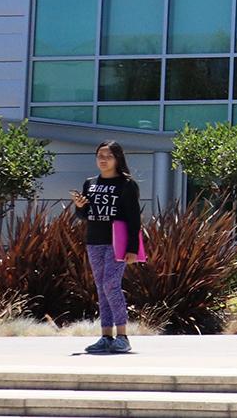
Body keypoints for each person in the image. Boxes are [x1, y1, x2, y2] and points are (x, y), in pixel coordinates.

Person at [70, 141, 145, 355]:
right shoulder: (90, 183)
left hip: (117, 242)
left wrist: (132, 248)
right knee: (101, 288)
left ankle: (122, 336)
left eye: (108, 156)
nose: (103, 160)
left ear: (117, 159)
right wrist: (80, 207)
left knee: (111, 284)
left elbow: (133, 219)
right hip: (94, 240)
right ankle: (106, 337)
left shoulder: (127, 184)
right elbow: (84, 216)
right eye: (99, 156)